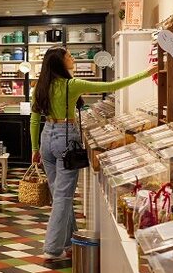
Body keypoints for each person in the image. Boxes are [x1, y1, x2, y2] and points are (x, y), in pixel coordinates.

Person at [29, 47, 157, 259]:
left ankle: (69, 242)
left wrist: (35, 148)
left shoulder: (40, 87)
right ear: (60, 62)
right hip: (66, 137)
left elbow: (34, 119)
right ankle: (52, 248)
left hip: (46, 137)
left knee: (60, 194)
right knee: (63, 196)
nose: (73, 58)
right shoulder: (73, 84)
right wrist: (147, 72)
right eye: (69, 56)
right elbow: (113, 85)